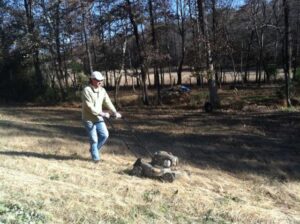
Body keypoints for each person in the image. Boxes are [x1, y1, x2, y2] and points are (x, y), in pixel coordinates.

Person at [82, 71, 122, 163]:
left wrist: (115, 112)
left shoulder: (102, 90)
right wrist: (102, 113)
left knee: (105, 135)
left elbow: (107, 102)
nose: (100, 82)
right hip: (88, 118)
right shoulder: (86, 90)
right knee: (94, 139)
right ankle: (96, 159)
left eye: (101, 80)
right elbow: (89, 106)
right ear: (92, 80)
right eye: (98, 80)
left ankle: (93, 149)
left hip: (98, 118)